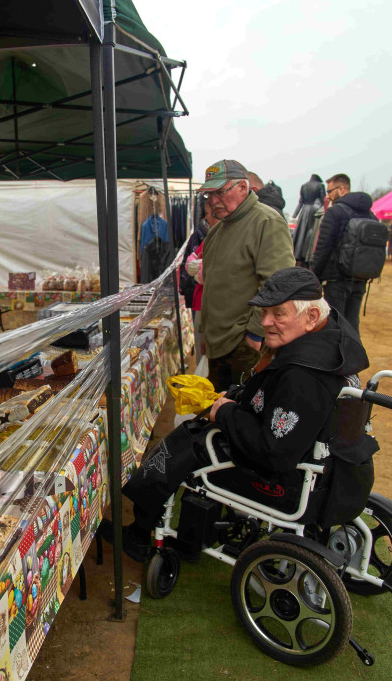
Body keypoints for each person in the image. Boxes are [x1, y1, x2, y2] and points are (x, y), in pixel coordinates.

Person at [102, 268, 370, 561]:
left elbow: (274, 452)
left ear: (311, 317)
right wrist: (237, 397)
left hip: (285, 479)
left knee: (191, 438)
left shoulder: (304, 378)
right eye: (265, 312)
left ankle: (140, 533)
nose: (266, 322)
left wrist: (227, 412)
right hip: (326, 461)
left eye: (278, 314)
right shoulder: (331, 335)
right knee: (201, 429)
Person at [196, 159, 295, 391]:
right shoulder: (218, 230)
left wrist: (255, 334)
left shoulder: (266, 222)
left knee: (243, 416)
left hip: (245, 345)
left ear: (243, 187)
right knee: (219, 415)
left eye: (220, 192)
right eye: (209, 195)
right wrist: (205, 331)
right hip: (219, 344)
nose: (213, 201)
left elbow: (278, 284)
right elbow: (212, 285)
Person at [310, 173, 377, 334]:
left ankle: (337, 359)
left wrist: (315, 277)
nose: (328, 196)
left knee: (335, 325)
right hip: (360, 278)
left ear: (341, 189)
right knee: (353, 325)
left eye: (330, 191)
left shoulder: (335, 213)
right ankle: (354, 358)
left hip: (336, 279)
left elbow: (323, 248)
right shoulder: (370, 215)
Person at [182, 197, 219, 362]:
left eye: (213, 214)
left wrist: (200, 269)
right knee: (202, 354)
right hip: (201, 301)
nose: (208, 219)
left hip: (212, 306)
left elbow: (205, 272)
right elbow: (190, 263)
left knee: (207, 357)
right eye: (207, 214)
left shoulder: (218, 237)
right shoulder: (210, 237)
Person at [292, 174, 326, 266]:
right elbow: (324, 200)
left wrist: (294, 215)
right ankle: (307, 255)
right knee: (311, 234)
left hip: (304, 211)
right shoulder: (320, 186)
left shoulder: (304, 186)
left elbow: (300, 202)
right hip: (314, 212)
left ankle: (298, 253)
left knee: (301, 234)